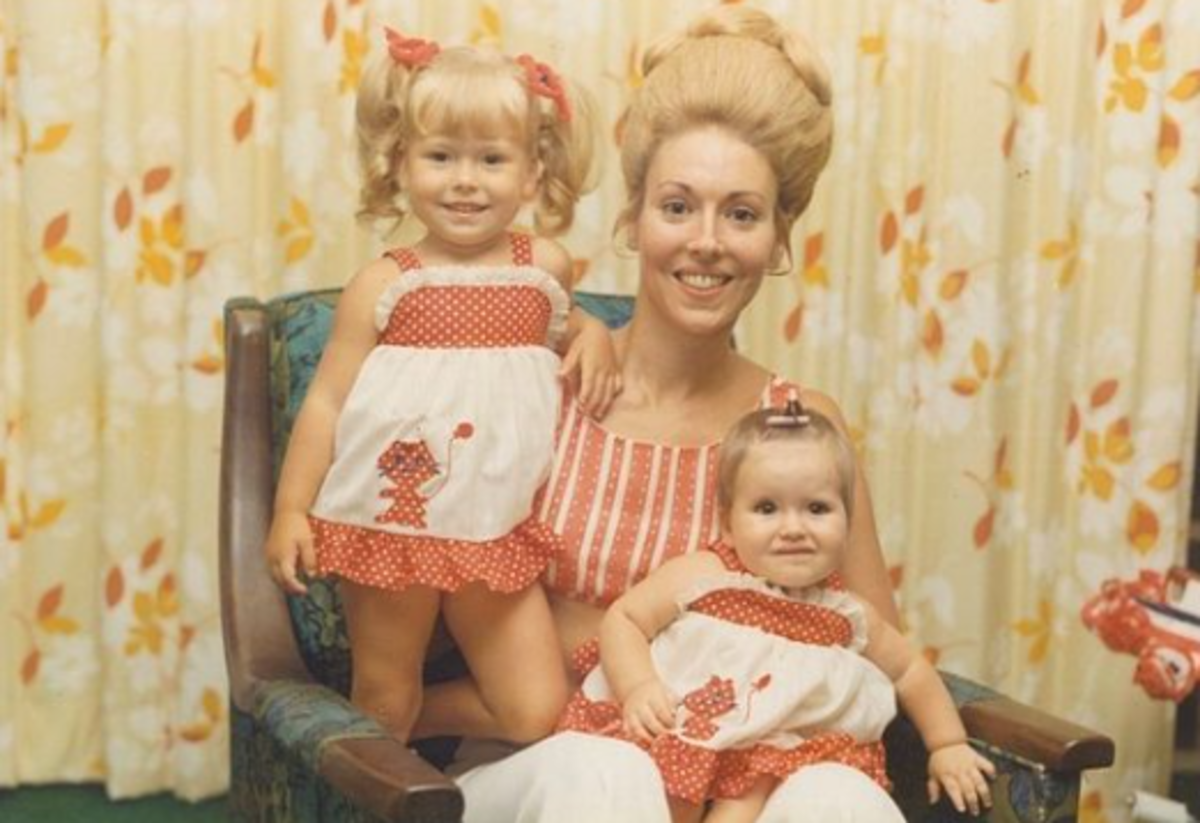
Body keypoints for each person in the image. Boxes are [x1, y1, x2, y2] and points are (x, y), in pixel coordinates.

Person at [408, 6, 925, 822]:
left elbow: (859, 647)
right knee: (611, 775)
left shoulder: (799, 425)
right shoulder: (542, 383)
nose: (707, 241)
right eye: (678, 206)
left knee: (839, 795)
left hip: (733, 787)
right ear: (633, 216)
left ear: (779, 236)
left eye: (743, 213)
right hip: (545, 766)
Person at [263, 27, 620, 746]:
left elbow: (566, 322)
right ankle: (379, 741)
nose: (465, 179)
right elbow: (328, 400)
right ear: (402, 165)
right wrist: (291, 510)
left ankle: (377, 727)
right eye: (441, 157)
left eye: (491, 159)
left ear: (529, 174)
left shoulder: (544, 268)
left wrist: (594, 332)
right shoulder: (386, 284)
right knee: (387, 691)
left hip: (494, 523)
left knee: (535, 709)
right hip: (394, 519)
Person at [559, 403, 996, 821]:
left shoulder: (847, 614)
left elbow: (910, 672)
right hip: (682, 731)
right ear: (729, 524)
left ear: (847, 521)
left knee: (757, 794)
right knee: (662, 798)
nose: (793, 528)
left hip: (768, 765)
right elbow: (626, 619)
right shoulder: (708, 575)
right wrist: (638, 685)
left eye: (817, 508)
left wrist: (947, 743)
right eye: (767, 509)